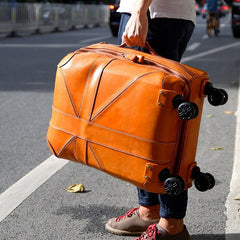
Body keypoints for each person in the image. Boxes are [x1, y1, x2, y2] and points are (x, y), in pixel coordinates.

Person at [105, 1, 196, 240]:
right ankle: (150, 211)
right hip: (164, 15)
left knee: (156, 122)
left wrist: (139, 11)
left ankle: (171, 224)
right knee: (145, 119)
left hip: (154, 16)